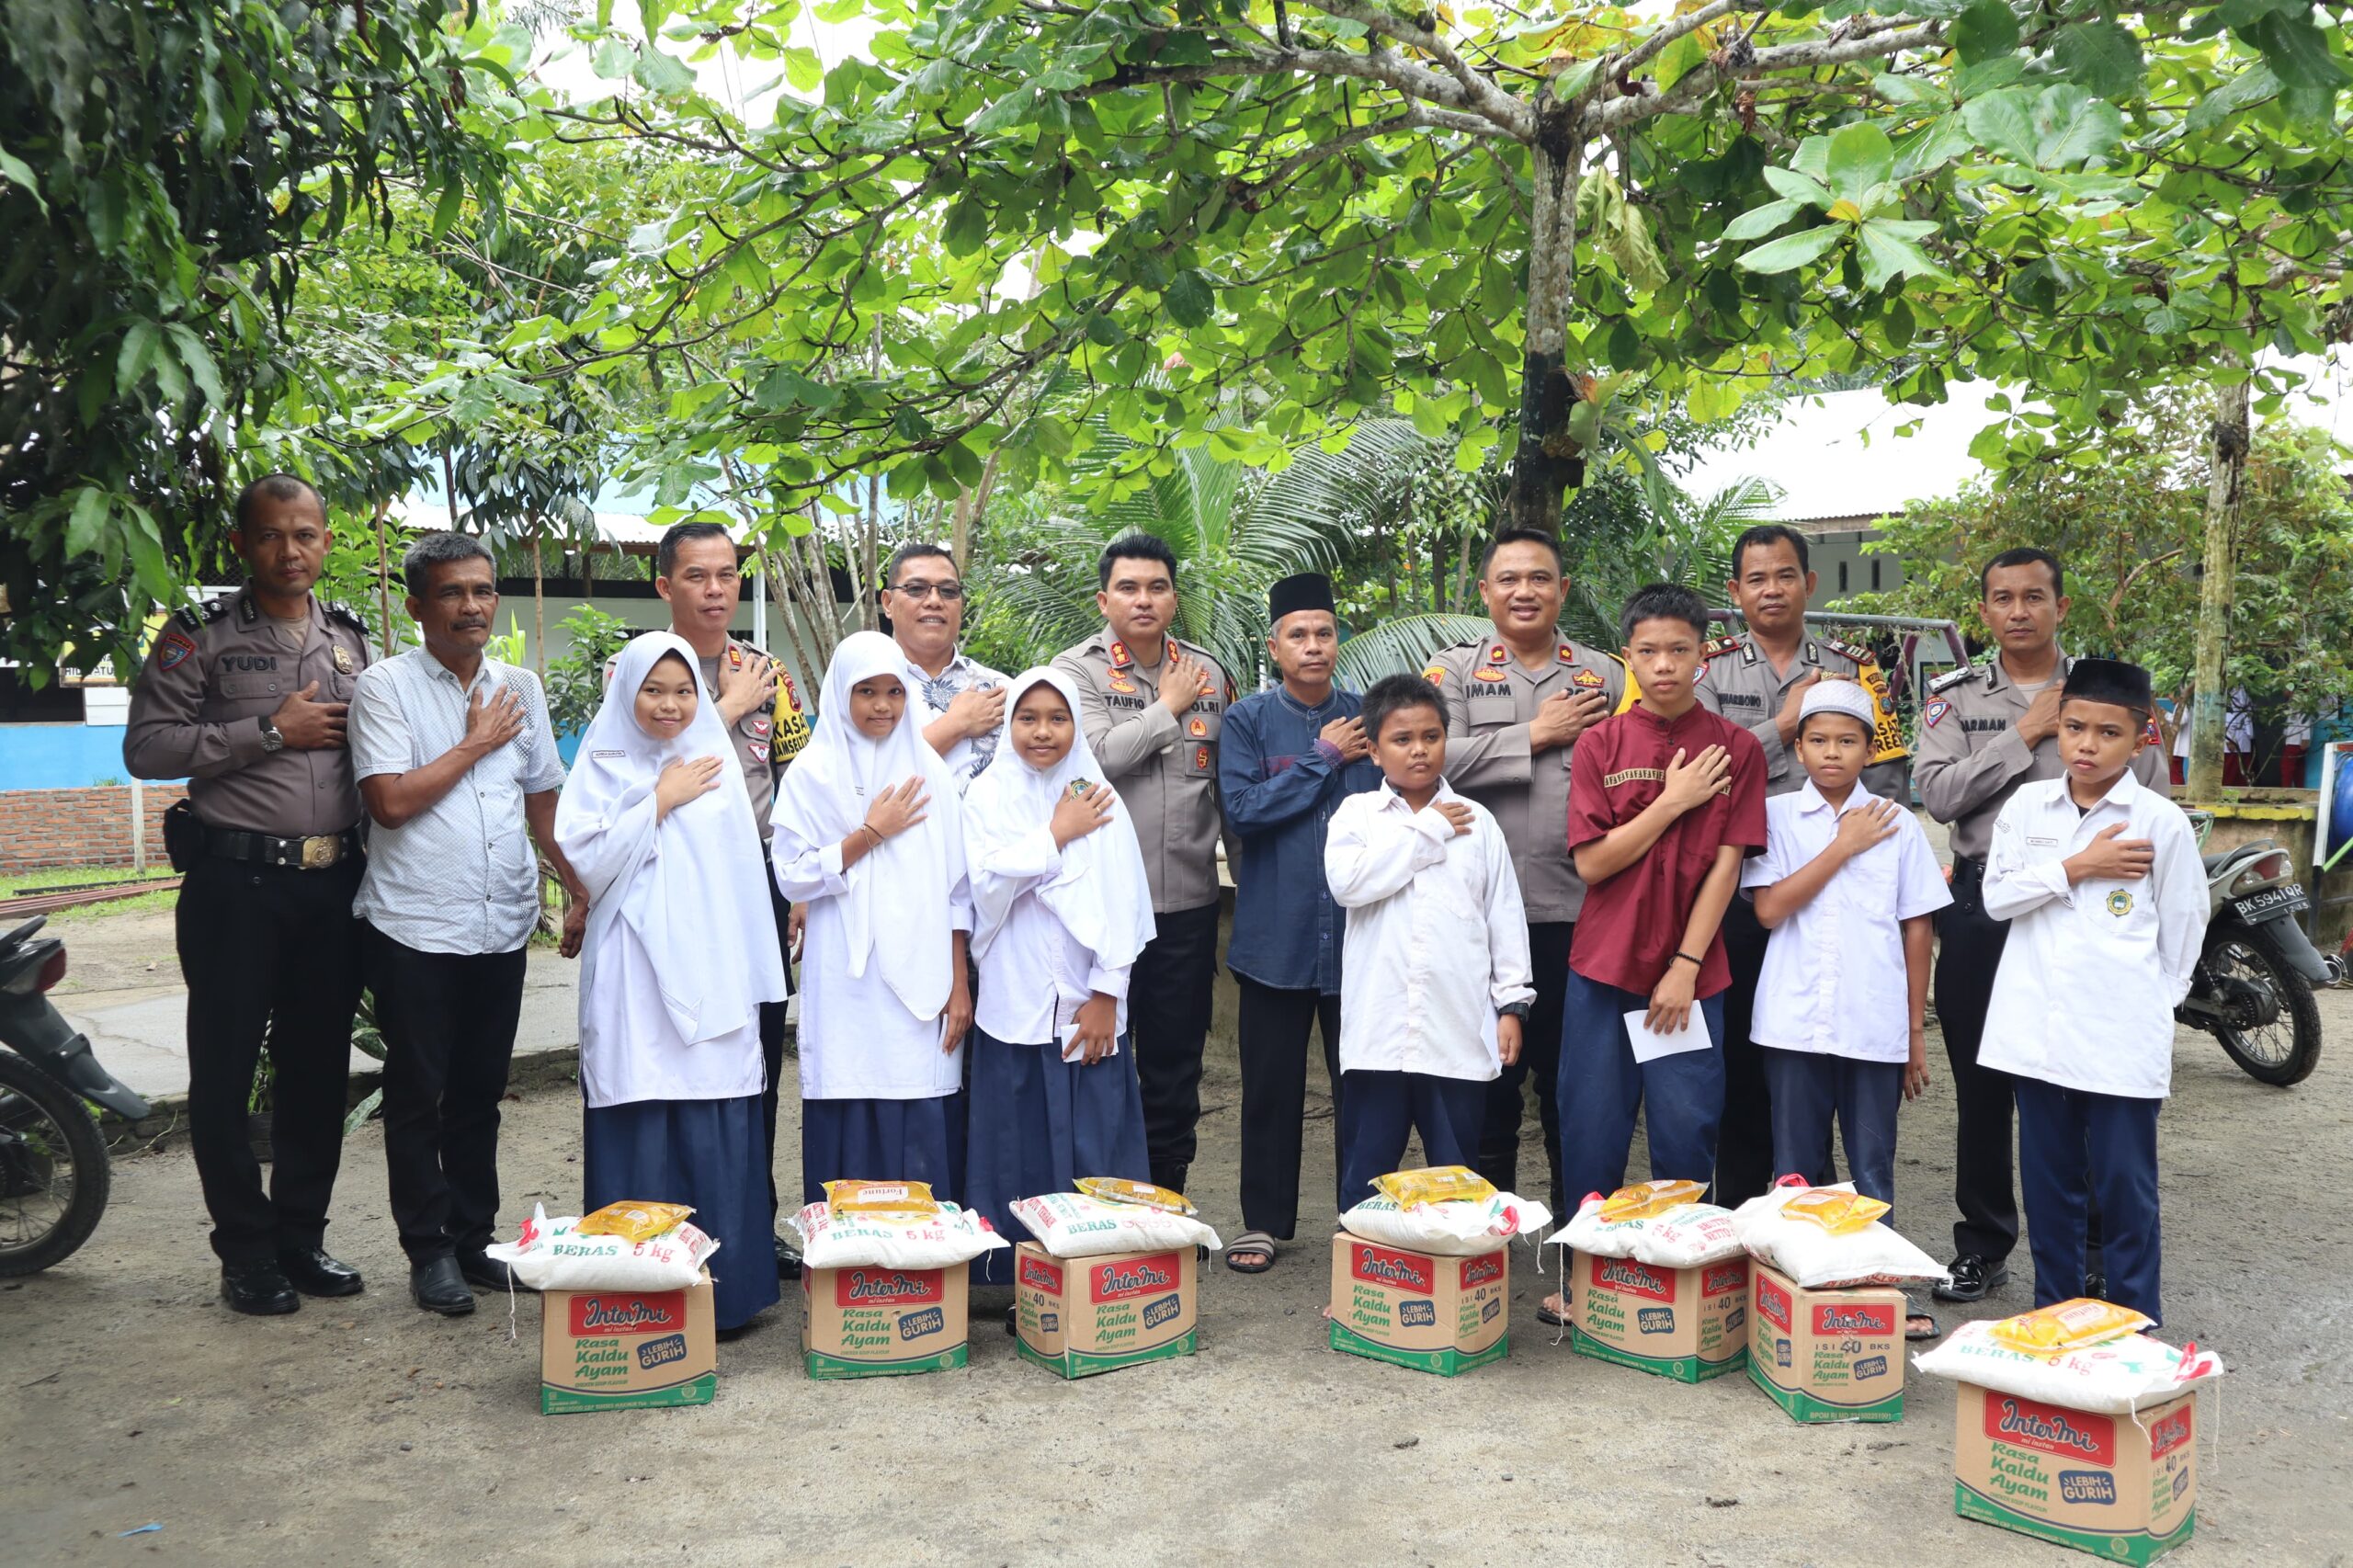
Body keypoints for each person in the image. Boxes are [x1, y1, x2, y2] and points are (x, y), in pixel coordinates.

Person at [123, 474, 375, 1316]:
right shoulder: (200, 636)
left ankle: (301, 1238)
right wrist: (268, 731)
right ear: (242, 544)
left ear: (326, 541)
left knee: (317, 1069)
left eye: (304, 534)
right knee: (224, 1072)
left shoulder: (351, 641)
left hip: (331, 885)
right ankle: (246, 1252)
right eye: (271, 535)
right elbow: (148, 748)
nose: (289, 550)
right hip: (236, 885)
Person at [1915, 548, 2171, 1306]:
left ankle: (2091, 1252)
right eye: (2002, 598)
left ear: (2061, 606)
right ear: (1984, 611)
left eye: (2034, 597)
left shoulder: (2108, 692)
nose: (2018, 611)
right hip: (1987, 906)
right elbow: (1938, 796)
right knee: (1983, 1087)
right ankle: (1983, 1244)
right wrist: (2023, 734)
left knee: (2084, 1080)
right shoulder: (1956, 699)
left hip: (2094, 910)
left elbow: (2153, 800)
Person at [348, 533, 587, 1315]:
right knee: (419, 1093)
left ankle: (474, 1238)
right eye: (452, 592)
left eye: (482, 591)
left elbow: (543, 800)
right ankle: (428, 1252)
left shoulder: (520, 686)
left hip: (501, 921)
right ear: (418, 605)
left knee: (480, 1093)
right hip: (414, 924)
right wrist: (476, 742)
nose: (472, 606)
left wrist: (576, 887)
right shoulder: (385, 687)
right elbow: (388, 802)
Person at [1545, 584, 1768, 1324]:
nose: (1664, 665)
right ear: (1628, 657)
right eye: (1649, 651)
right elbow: (1593, 864)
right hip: (1604, 969)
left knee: (1686, 1126)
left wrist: (1685, 966)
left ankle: (1681, 1288)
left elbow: (1727, 867)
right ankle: (1587, 1282)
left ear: (1704, 656)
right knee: (1591, 1127)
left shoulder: (1735, 749)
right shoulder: (1600, 745)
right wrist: (1672, 801)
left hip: (1690, 979)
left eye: (1679, 650)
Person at [557, 633, 790, 1334]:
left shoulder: (714, 761)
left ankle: (727, 1295)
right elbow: (587, 860)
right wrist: (656, 801)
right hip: (633, 974)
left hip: (712, 968)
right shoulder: (602, 762)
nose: (670, 705)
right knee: (641, 1095)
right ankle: (640, 1293)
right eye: (653, 690)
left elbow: (742, 880)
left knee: (714, 1105)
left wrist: (753, 973)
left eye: (684, 691)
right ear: (626, 692)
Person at [1978, 659, 2204, 1326]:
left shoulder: (2158, 822)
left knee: (2125, 1188)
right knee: (2049, 1189)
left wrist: (2150, 1004)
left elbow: (2184, 926)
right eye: (2075, 727)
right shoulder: (2028, 807)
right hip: (2037, 1036)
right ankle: (2055, 1317)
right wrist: (2079, 866)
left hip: (2119, 1037)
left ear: (2139, 740)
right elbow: (1997, 899)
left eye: (2109, 733)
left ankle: (2135, 1325)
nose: (2087, 745)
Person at [608, 521, 810, 1266]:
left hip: (755, 879)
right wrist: (723, 709)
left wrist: (797, 885)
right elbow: (640, 770)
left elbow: (795, 782)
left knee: (756, 1052)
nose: (716, 589)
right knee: (683, 1049)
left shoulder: (769, 672)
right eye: (697, 576)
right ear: (665, 585)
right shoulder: (633, 669)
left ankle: (754, 1223)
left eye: (727, 574)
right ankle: (676, 1223)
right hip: (668, 884)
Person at [1698, 524, 1913, 1209]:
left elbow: (1888, 777)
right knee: (1745, 1062)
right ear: (1735, 590)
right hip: (1736, 894)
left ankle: (1820, 1211)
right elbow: (1698, 773)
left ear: (1809, 583)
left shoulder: (1855, 669)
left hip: (1836, 899)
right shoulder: (1709, 670)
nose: (1772, 589)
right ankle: (1738, 1214)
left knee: (1827, 1054)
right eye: (1756, 578)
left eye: (1785, 575)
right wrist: (1781, 728)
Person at [1426, 529, 1631, 1221]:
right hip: (1477, 918)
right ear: (1485, 591)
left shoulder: (1607, 676)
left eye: (1540, 578)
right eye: (1508, 579)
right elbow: (1428, 761)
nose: (1524, 591)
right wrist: (1536, 735)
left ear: (1562, 590)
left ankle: (1578, 1229)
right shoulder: (1453, 671)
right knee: (1487, 1081)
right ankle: (1488, 1233)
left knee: (1575, 1085)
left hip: (1580, 912)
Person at [1740, 682, 1950, 1337]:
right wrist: (1841, 846)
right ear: (1798, 749)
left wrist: (1913, 1034)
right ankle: (1798, 1295)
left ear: (1869, 750)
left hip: (1872, 1023)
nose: (1832, 753)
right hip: (1793, 1023)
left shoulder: (1897, 823)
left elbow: (1918, 928)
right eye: (1819, 740)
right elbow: (1769, 910)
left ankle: (1878, 1295)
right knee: (1795, 1169)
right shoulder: (1776, 817)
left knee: (1872, 1168)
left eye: (1848, 741)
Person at [961, 668, 1155, 1287]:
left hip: (1086, 1005)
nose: (1042, 732)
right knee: (1015, 1141)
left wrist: (1106, 994)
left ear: (1076, 724)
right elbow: (984, 885)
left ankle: (1101, 1272)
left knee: (1096, 1143)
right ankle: (1022, 1279)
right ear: (1009, 724)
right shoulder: (986, 797)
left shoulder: (1098, 796)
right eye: (1027, 718)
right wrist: (1055, 835)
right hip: (1013, 1001)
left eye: (1057, 718)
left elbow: (1124, 902)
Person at [1051, 534, 1232, 1198]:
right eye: (1128, 588)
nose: (1144, 599)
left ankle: (1164, 1203)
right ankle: (1093, 1203)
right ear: (1104, 600)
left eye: (1157, 587)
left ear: (1174, 599)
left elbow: (1226, 791)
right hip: (1099, 910)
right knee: (1094, 1057)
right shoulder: (1075, 672)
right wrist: (1167, 709)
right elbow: (1095, 757)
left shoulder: (1209, 672)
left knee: (1174, 1067)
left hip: (1186, 905)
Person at [769, 631, 972, 1204]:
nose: (882, 705)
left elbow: (957, 891)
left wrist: (958, 984)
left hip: (924, 974)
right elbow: (792, 875)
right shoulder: (813, 772)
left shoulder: (928, 773)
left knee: (920, 1104)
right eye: (866, 692)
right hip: (845, 981)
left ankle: (923, 1257)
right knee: (849, 1097)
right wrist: (869, 834)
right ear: (841, 693)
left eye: (894, 691)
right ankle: (850, 1254)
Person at [1216, 573, 1380, 1273]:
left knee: (1364, 1089)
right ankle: (1262, 1223)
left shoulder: (1372, 717)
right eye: (1299, 635)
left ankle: (1363, 1219)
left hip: (1360, 939)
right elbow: (1243, 811)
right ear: (1274, 646)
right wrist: (1325, 759)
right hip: (1273, 939)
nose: (1314, 646)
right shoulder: (1247, 722)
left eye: (1324, 633)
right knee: (1270, 1089)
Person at [1324, 675, 1534, 1207]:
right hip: (1378, 1033)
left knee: (1457, 1173)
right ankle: (1359, 1261)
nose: (1419, 749)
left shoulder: (1480, 824)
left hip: (1455, 1029)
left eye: (1431, 736)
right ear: (1374, 751)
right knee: (1366, 1172)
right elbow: (1350, 884)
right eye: (1402, 739)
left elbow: (1503, 918)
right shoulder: (1357, 816)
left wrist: (1512, 1005)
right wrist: (1431, 830)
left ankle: (1459, 1262)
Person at [881, 541, 1008, 790]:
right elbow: (859, 777)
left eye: (948, 591)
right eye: (916, 589)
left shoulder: (1002, 691)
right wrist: (956, 723)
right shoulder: (861, 691)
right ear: (888, 603)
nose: (934, 601)